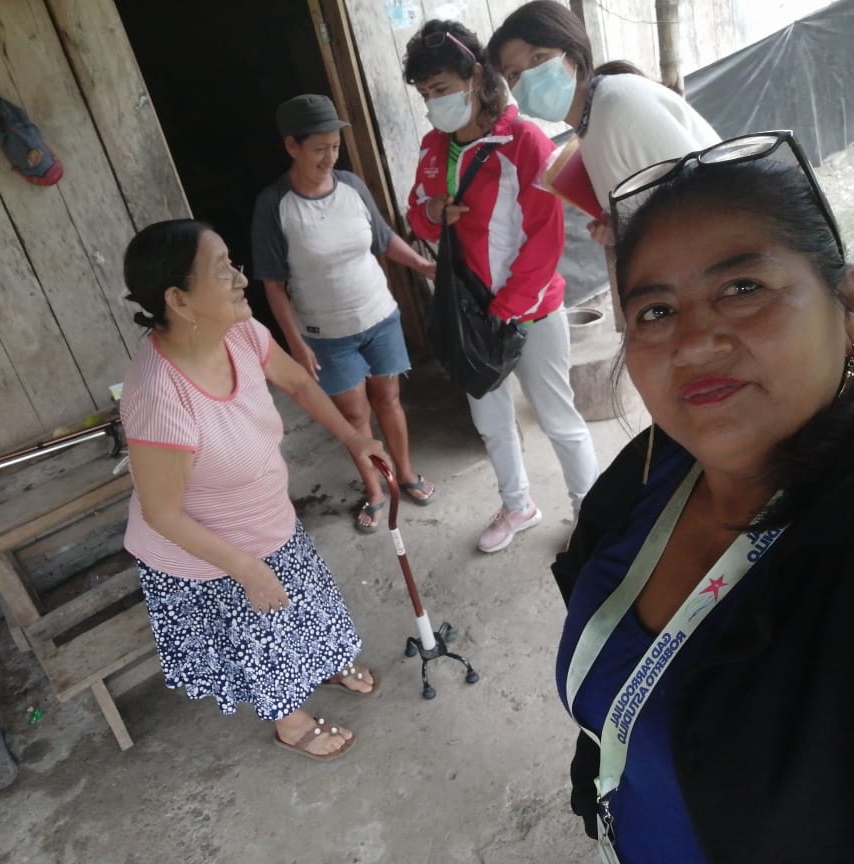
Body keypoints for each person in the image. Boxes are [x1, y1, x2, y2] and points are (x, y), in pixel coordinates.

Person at [551, 131, 854, 862]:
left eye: (743, 288)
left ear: (849, 305)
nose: (693, 344)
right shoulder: (648, 473)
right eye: (655, 312)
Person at [120, 219, 388, 762]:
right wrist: (244, 567)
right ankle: (291, 722)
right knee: (262, 641)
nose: (242, 279)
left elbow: (298, 382)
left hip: (268, 519)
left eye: (234, 264)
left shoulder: (239, 334)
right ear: (179, 300)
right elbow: (162, 514)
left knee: (305, 606)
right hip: (210, 556)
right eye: (223, 271)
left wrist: (353, 438)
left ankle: (324, 662)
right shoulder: (158, 396)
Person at [403, 20, 598, 553]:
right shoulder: (433, 148)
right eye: (424, 94)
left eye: (440, 89)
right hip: (470, 314)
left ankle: (592, 513)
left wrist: (506, 309)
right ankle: (518, 506)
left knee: (557, 417)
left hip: (528, 311)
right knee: (491, 422)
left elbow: (545, 238)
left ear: (476, 76)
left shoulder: (524, 141)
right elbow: (418, 218)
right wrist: (433, 212)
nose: (432, 103)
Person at [251, 94, 437, 534]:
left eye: (334, 147)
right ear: (291, 146)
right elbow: (273, 285)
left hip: (379, 316)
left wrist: (422, 265)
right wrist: (296, 344)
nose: (330, 157)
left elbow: (383, 239)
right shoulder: (275, 205)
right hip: (326, 334)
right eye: (319, 148)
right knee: (354, 416)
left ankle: (405, 473)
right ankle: (374, 489)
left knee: (388, 399)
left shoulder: (351, 186)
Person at [488, 1, 719, 245]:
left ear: (573, 53)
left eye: (538, 57)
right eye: (513, 74)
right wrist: (621, 229)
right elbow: (656, 210)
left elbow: (705, 203)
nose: (528, 79)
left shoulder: (619, 107)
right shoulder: (591, 121)